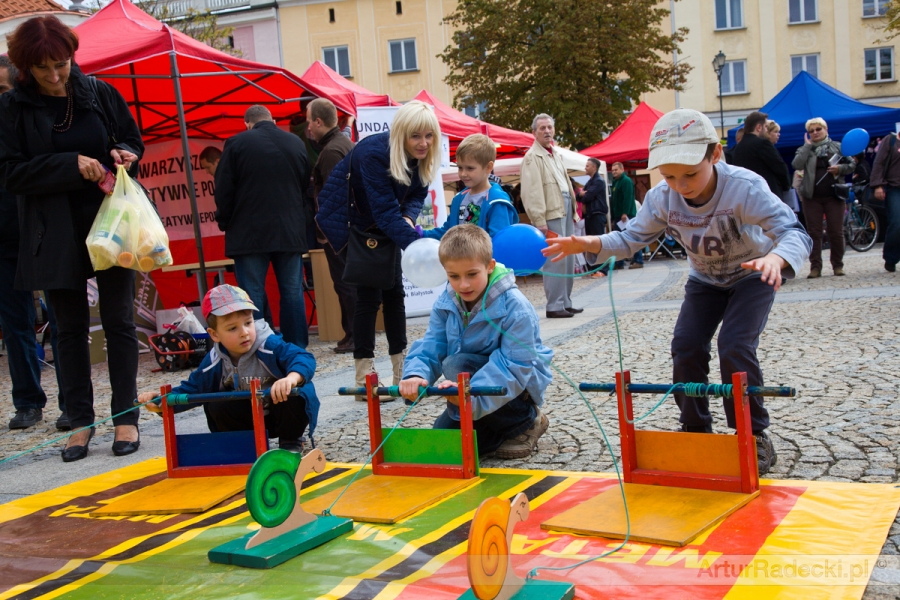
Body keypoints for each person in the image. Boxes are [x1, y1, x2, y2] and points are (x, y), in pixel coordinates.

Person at [543, 108, 812, 475]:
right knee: (685, 346)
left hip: (753, 274)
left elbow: (794, 232)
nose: (681, 185)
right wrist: (588, 242)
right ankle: (696, 427)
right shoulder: (662, 198)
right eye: (669, 176)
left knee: (734, 346)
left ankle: (754, 434)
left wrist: (777, 258)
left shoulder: (743, 187)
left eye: (690, 174)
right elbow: (630, 239)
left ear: (715, 154)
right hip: (704, 281)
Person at [0, 17, 145, 462]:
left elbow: (134, 140)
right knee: (68, 329)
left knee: (120, 322)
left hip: (111, 223)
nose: (55, 75)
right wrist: (68, 164)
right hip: (53, 230)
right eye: (43, 68)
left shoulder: (100, 93)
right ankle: (80, 421)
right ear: (26, 67)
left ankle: (126, 417)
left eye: (61, 64)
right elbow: (10, 173)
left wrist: (126, 155)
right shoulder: (13, 109)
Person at [316, 101, 441, 397]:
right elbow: (383, 212)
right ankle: (364, 379)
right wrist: (418, 246)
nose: (423, 143)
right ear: (402, 135)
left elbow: (416, 194)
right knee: (368, 297)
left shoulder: (424, 155)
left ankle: (402, 372)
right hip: (355, 224)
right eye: (416, 137)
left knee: (395, 294)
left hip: (386, 223)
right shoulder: (374, 154)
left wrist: (409, 219)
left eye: (428, 136)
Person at [399, 224, 552, 458]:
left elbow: (513, 368)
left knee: (455, 364)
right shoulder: (446, 301)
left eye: (472, 274)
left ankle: (526, 421)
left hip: (516, 386)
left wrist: (467, 393)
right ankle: (492, 427)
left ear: (489, 266)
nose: (464, 285)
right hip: (470, 386)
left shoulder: (515, 307)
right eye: (454, 276)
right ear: (445, 272)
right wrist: (415, 374)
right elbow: (431, 344)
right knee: (447, 444)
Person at [137, 285, 318, 452]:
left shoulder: (269, 344)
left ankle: (290, 440)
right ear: (214, 334)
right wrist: (162, 402)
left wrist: (291, 378)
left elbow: (303, 357)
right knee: (217, 403)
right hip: (250, 417)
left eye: (248, 323)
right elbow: (193, 388)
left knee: (296, 394)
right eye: (232, 328)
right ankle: (243, 444)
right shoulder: (214, 360)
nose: (244, 332)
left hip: (280, 413)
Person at [0, 57, 66, 431]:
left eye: (1, 91)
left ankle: (72, 401)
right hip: (4, 243)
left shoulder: (31, 126)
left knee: (62, 320)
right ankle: (28, 401)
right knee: (15, 325)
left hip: (43, 233)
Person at [214, 105, 311, 348]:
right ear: (273, 120)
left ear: (247, 123)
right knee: (292, 293)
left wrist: (224, 221)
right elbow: (305, 189)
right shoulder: (295, 143)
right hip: (289, 232)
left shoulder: (236, 143)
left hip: (249, 235)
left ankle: (259, 350)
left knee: (252, 296)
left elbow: (224, 190)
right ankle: (297, 348)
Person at [306, 98, 356, 354]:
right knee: (347, 282)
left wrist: (327, 234)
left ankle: (354, 334)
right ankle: (353, 333)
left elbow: (333, 196)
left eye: (309, 122)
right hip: (344, 229)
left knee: (345, 283)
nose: (308, 129)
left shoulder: (331, 151)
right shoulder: (341, 144)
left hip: (338, 232)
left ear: (318, 121)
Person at [520, 114, 581, 318]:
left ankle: (566, 301)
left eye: (549, 127)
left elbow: (566, 185)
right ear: (534, 132)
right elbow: (531, 191)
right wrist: (539, 220)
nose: (547, 131)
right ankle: (554, 305)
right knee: (555, 259)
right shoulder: (532, 157)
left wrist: (573, 210)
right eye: (542, 128)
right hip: (550, 210)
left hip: (564, 207)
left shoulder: (555, 154)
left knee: (569, 256)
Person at [791, 117, 856, 278]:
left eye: (818, 129)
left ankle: (838, 265)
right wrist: (807, 146)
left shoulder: (837, 147)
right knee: (814, 233)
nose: (815, 133)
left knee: (836, 231)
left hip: (834, 196)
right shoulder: (805, 149)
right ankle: (815, 267)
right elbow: (796, 164)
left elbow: (852, 164)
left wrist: (839, 168)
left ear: (826, 130)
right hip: (811, 197)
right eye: (811, 131)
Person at [423, 134, 517, 240]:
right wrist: (421, 234)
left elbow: (499, 240)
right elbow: (448, 232)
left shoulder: (497, 202)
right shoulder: (459, 199)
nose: (463, 174)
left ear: (488, 167)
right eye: (460, 167)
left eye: (470, 168)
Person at [731, 111, 791, 202]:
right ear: (759, 127)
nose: (766, 130)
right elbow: (779, 167)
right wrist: (786, 185)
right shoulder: (762, 143)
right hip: (767, 196)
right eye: (766, 127)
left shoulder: (738, 148)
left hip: (747, 198)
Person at [870, 132, 900, 273]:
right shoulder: (891, 140)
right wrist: (877, 185)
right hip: (895, 188)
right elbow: (879, 163)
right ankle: (891, 257)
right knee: (897, 223)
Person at [577, 158, 608, 278]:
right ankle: (594, 269)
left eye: (587, 166)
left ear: (594, 167)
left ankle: (603, 269)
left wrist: (584, 194)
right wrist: (582, 193)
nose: (585, 168)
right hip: (590, 215)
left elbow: (586, 197)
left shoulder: (599, 181)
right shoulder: (590, 182)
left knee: (599, 243)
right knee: (591, 244)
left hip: (597, 214)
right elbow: (579, 196)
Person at [609, 162, 643, 269]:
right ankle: (619, 262)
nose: (614, 172)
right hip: (618, 216)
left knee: (631, 237)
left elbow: (628, 198)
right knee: (619, 239)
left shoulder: (626, 181)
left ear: (622, 169)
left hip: (626, 216)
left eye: (616, 169)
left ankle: (638, 260)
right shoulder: (616, 182)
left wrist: (625, 213)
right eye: (613, 170)